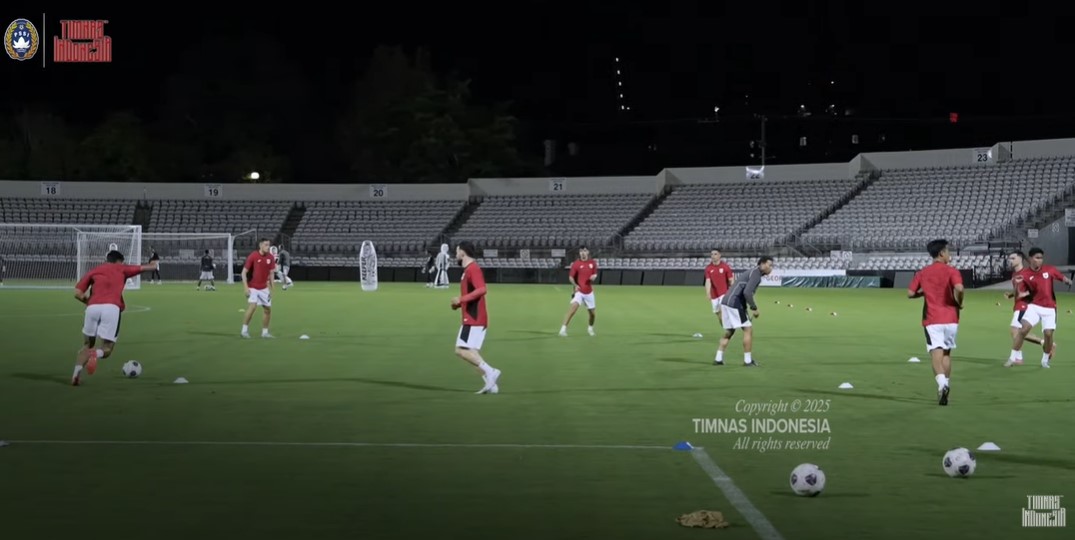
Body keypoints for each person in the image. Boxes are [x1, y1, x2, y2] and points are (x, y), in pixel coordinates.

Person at [71, 250, 158, 386]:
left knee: (87, 345)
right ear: (119, 261)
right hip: (111, 308)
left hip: (92, 308)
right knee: (107, 348)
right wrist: (155, 258)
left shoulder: (95, 270)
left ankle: (76, 374)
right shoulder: (121, 268)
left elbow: (77, 293)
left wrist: (91, 302)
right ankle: (95, 354)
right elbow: (152, 267)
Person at [907, 239, 964, 406]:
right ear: (941, 253)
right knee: (946, 354)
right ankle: (946, 384)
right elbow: (959, 288)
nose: (949, 254)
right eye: (948, 251)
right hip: (952, 318)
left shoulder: (923, 272)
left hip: (932, 319)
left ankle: (942, 385)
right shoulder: (952, 271)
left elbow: (910, 293)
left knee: (935, 354)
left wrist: (923, 294)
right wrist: (959, 302)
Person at [451, 241, 500, 394]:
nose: (456, 253)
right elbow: (472, 294)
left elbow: (482, 289)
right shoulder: (467, 270)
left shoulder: (473, 268)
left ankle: (491, 371)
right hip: (473, 317)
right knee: (471, 354)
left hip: (474, 318)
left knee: (460, 350)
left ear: (463, 252)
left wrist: (461, 299)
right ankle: (491, 384)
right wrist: (459, 304)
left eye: (457, 250)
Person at [1012, 247, 1072, 368]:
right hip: (1033, 306)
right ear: (1030, 259)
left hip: (1050, 308)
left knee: (1048, 334)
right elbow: (1022, 292)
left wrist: (1067, 280)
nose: (1040, 260)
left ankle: (1045, 359)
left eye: (1041, 258)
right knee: (1022, 329)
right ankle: (1015, 357)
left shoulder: (1049, 270)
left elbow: (1061, 277)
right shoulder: (1024, 274)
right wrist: (1016, 291)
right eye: (1037, 257)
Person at [715, 256, 772, 366]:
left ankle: (718, 358)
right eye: (770, 265)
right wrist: (754, 308)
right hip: (734, 303)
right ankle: (747, 360)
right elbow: (747, 292)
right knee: (748, 329)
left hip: (726, 302)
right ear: (763, 264)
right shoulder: (756, 274)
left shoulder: (752, 272)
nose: (771, 268)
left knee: (729, 331)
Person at [1003, 251, 1045, 366]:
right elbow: (1020, 289)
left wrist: (1026, 295)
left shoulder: (1027, 273)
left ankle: (1018, 357)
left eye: (1013, 258)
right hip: (1018, 304)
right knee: (1019, 332)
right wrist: (1012, 295)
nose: (1010, 261)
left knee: (1015, 331)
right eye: (1009, 258)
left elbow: (1036, 289)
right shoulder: (1014, 274)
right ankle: (1043, 344)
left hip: (1024, 305)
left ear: (1020, 259)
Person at [559, 246, 599, 336]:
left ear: (588, 252)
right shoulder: (576, 264)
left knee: (592, 314)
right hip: (579, 291)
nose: (583, 253)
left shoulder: (593, 263)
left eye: (585, 251)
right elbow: (571, 277)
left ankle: (590, 328)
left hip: (589, 292)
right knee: (573, 308)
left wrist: (594, 277)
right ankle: (562, 329)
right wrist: (575, 285)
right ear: (579, 253)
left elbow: (595, 274)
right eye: (581, 251)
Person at [241, 239, 276, 339]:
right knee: (253, 307)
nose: (268, 247)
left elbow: (271, 272)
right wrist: (245, 288)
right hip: (253, 287)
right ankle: (244, 331)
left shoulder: (270, 257)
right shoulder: (253, 256)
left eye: (268, 245)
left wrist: (272, 285)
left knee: (268, 310)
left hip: (264, 288)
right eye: (265, 245)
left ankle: (265, 333)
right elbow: (243, 273)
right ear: (260, 245)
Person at [704, 248, 734, 321]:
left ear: (719, 255)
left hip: (724, 293)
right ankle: (728, 329)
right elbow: (708, 281)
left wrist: (734, 291)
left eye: (715, 254)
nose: (713, 256)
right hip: (714, 295)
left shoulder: (725, 267)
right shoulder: (708, 268)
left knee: (722, 310)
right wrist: (708, 293)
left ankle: (729, 327)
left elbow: (731, 280)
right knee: (718, 314)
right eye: (712, 254)